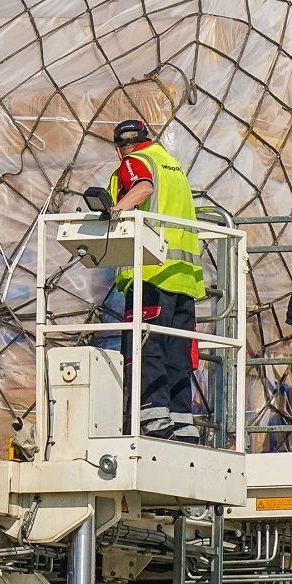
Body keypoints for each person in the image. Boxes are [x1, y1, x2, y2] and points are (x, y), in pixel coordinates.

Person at [105, 118, 206, 443]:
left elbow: (143, 187)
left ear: (121, 147)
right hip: (184, 278)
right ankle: (183, 425)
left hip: (151, 271)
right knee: (177, 353)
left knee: (146, 349)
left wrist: (116, 210)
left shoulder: (135, 162)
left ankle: (154, 420)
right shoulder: (171, 163)